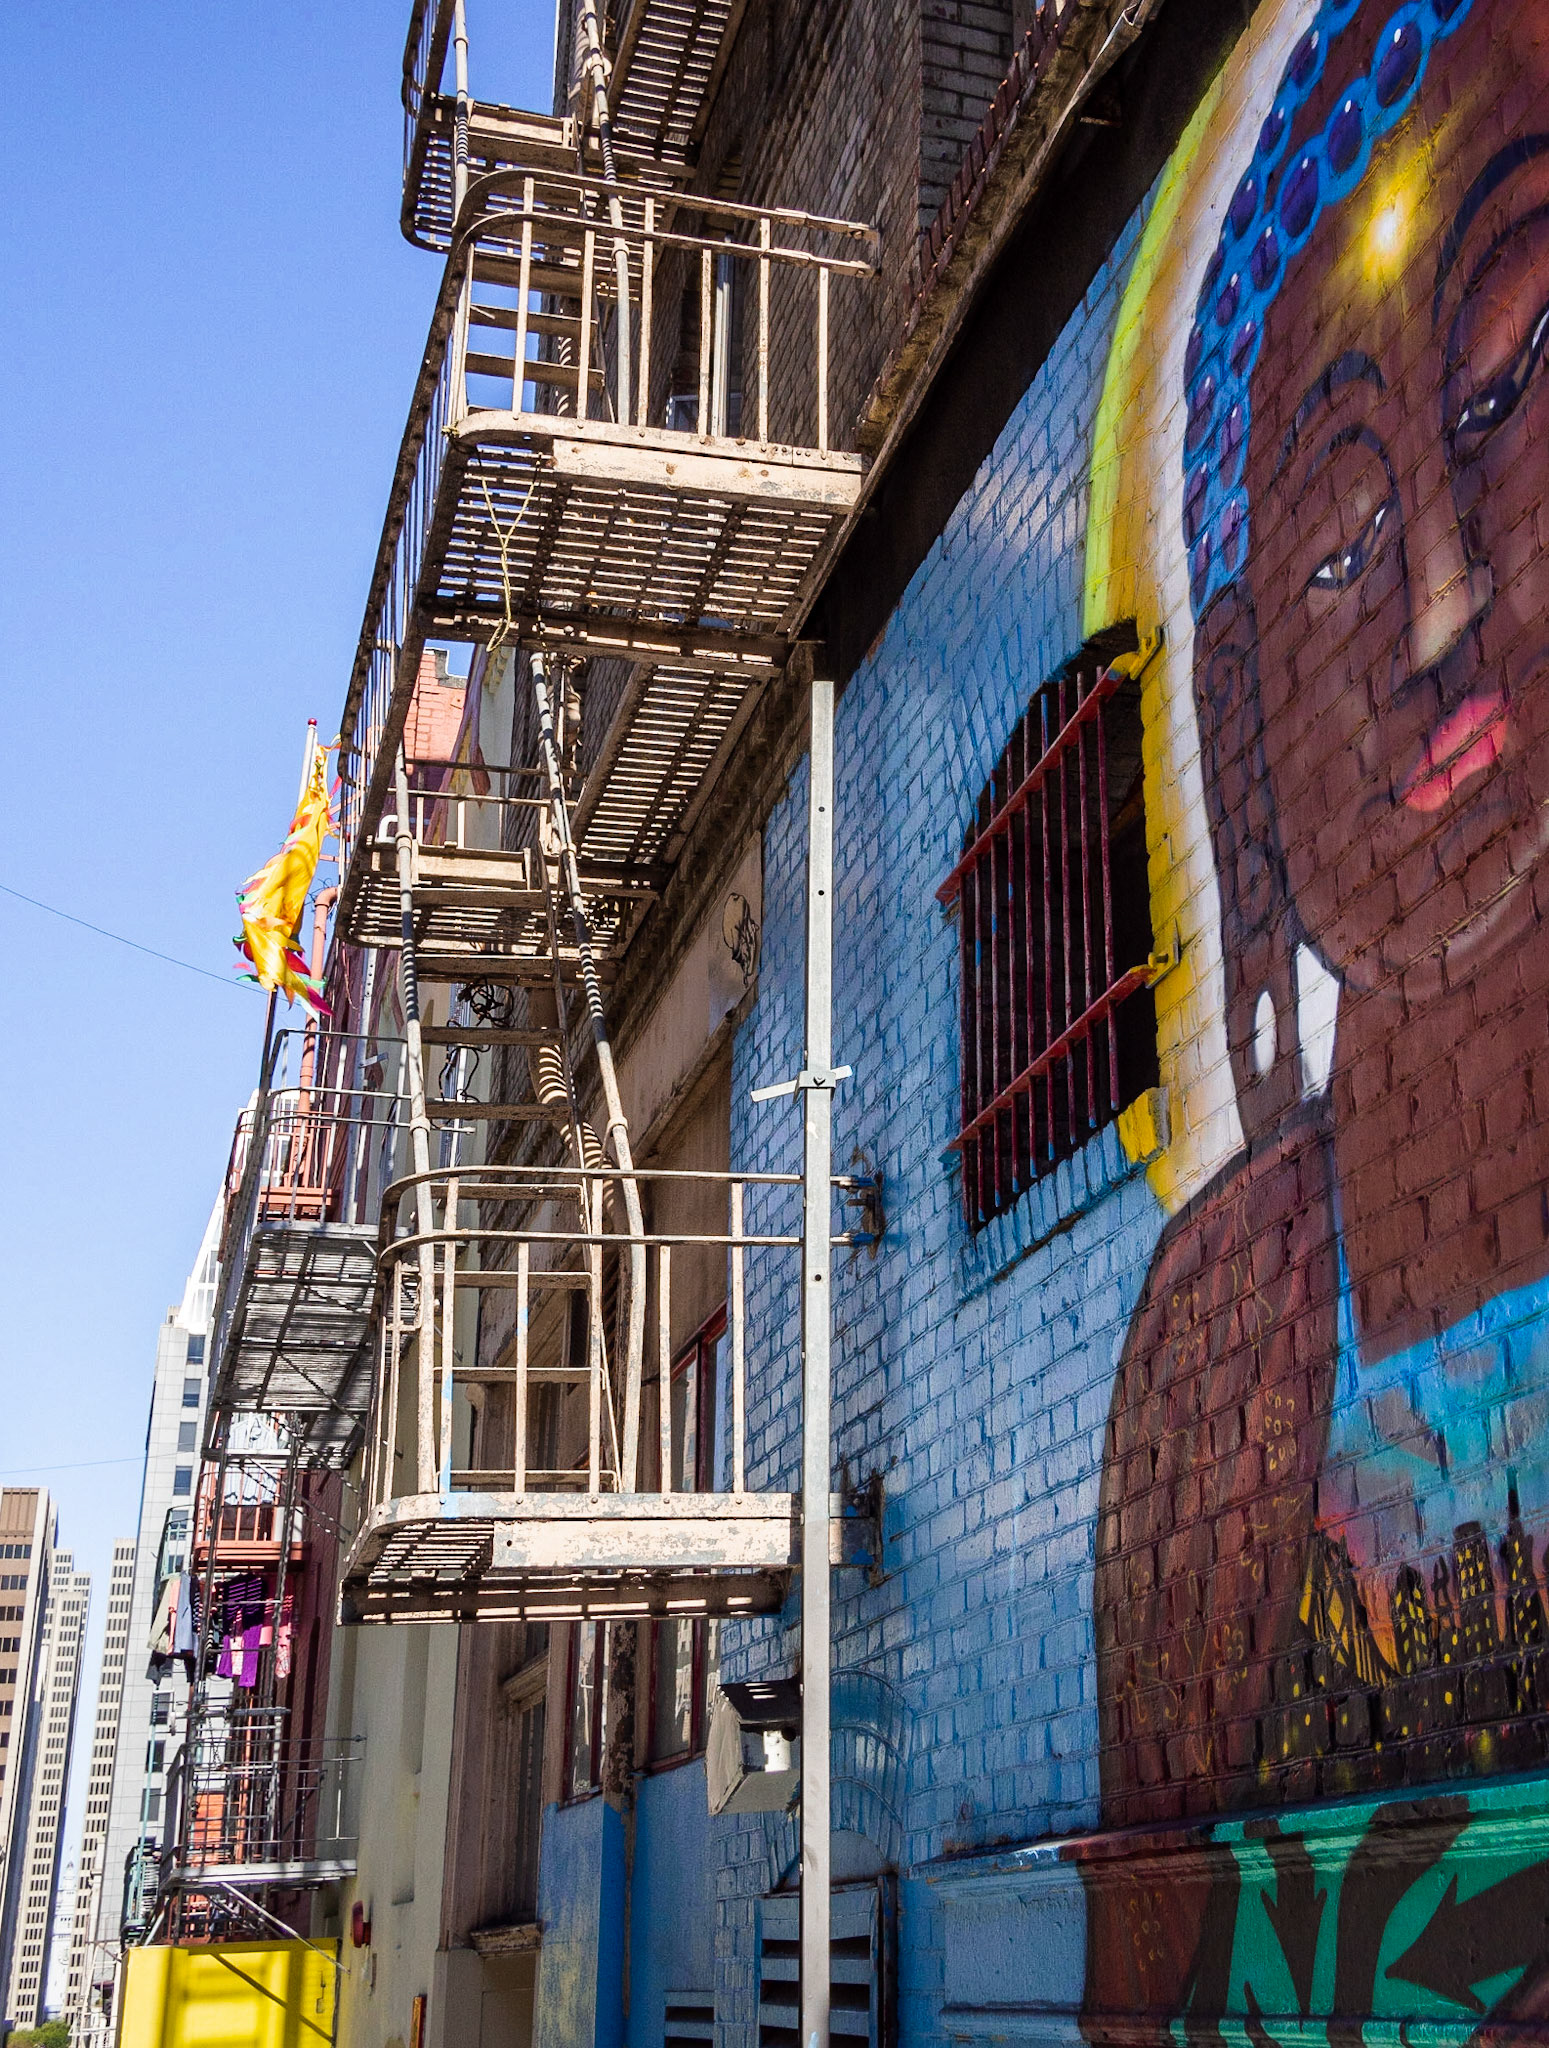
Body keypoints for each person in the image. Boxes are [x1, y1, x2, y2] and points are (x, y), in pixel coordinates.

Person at [1083, 0, 1549, 2024]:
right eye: (1346, 539)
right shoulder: (1223, 1342)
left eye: (1522, 366)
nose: (1441, 603)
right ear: (1238, 734)